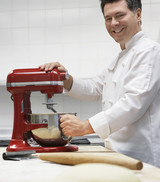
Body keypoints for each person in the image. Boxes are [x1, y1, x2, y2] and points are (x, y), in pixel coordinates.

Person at [39, 0, 160, 168]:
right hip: (118, 153)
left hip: (141, 157)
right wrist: (65, 78)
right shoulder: (121, 57)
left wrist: (84, 127)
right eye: (108, 18)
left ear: (138, 14)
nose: (114, 23)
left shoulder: (149, 51)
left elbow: (133, 103)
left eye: (120, 15)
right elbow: (96, 88)